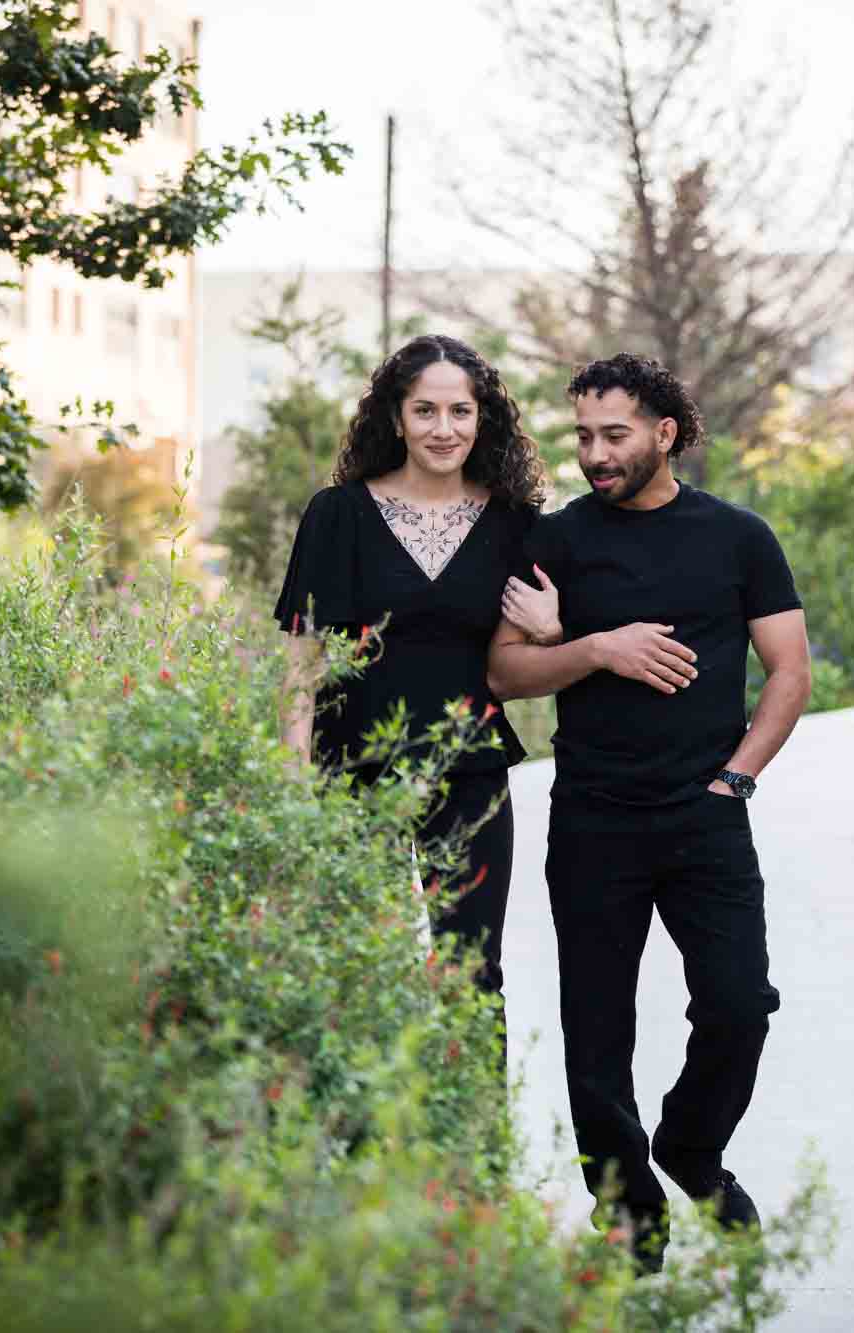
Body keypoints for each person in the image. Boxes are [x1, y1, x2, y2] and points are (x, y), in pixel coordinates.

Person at [486, 352, 811, 1271]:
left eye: (613, 434)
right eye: (583, 434)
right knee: (596, 1027)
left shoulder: (739, 537)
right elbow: (504, 672)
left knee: (740, 1003)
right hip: (593, 815)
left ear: (665, 433)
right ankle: (629, 1212)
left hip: (707, 813)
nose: (594, 452)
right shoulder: (553, 542)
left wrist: (738, 778)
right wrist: (595, 648)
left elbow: (789, 671)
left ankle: (692, 1148)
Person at [273, 333, 556, 1041]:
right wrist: (291, 771)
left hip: (470, 775)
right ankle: (364, 1147)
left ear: (481, 418)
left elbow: (522, 651)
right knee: (355, 971)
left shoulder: (516, 522)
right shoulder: (336, 515)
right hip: (351, 775)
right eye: (424, 410)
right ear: (395, 418)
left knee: (470, 973)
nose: (443, 428)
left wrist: (553, 628)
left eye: (459, 411)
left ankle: (475, 1151)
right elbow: (302, 662)